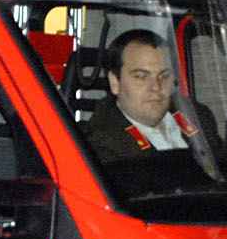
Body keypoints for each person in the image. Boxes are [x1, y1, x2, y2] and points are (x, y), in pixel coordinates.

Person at [83, 29, 215, 164]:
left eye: (164, 76)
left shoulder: (198, 117)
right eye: (141, 77)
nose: (156, 87)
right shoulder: (97, 147)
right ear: (115, 82)